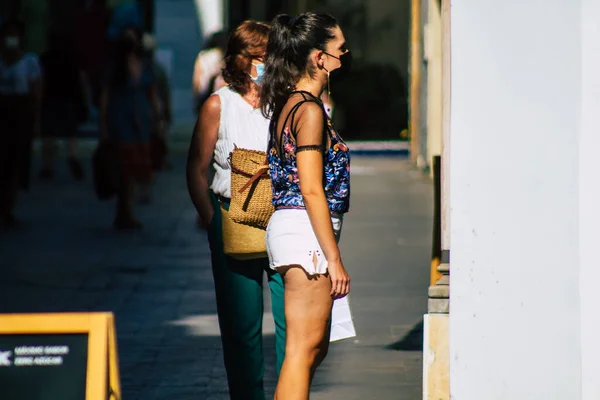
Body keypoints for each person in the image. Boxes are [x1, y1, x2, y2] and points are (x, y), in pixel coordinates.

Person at [186, 21, 286, 400]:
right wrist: (212, 221)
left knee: (292, 323)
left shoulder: (285, 102)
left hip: (281, 220)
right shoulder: (219, 104)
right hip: (231, 219)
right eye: (258, 57)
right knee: (241, 327)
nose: (265, 64)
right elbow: (196, 168)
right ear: (239, 60)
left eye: (269, 57)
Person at [260, 12, 352, 399]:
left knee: (309, 349)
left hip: (294, 229)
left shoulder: (290, 105)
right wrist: (333, 258)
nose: (344, 58)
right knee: (302, 350)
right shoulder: (309, 111)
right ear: (318, 57)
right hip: (307, 232)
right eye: (339, 50)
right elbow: (312, 189)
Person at [99, 26, 164, 229]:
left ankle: (128, 209)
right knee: (123, 167)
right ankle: (124, 210)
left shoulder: (145, 66)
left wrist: (158, 118)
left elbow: (153, 95)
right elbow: (105, 98)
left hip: (140, 121)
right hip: (120, 120)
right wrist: (103, 125)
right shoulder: (114, 67)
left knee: (137, 165)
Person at [0, 19, 42, 227]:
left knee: (16, 162)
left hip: (20, 113)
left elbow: (36, 91)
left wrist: (36, 119)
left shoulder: (29, 61)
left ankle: (9, 207)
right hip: (3, 112)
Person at [39, 30, 87, 181]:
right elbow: (82, 80)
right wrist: (84, 100)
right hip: (70, 98)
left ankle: (48, 167)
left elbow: (41, 81)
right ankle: (72, 156)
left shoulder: (46, 58)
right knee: (71, 134)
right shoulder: (74, 57)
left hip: (50, 98)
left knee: (48, 134)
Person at [191, 30, 228, 114]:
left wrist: (195, 97)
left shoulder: (203, 55)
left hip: (204, 93)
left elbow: (197, 79)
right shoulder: (224, 54)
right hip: (219, 91)